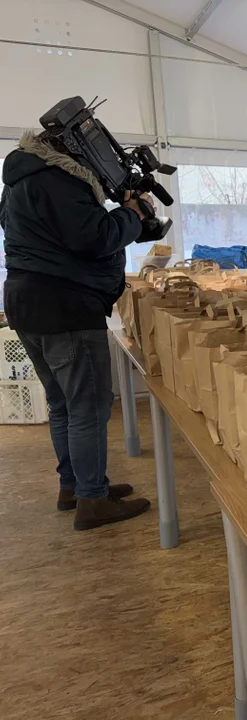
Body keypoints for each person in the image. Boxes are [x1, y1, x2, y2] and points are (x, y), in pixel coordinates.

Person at [0, 131, 152, 530]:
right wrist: (132, 214)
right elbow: (94, 238)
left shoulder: (21, 179)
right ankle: (92, 500)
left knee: (63, 403)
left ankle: (76, 486)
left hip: (26, 300)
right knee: (88, 406)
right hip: (64, 304)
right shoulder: (58, 180)